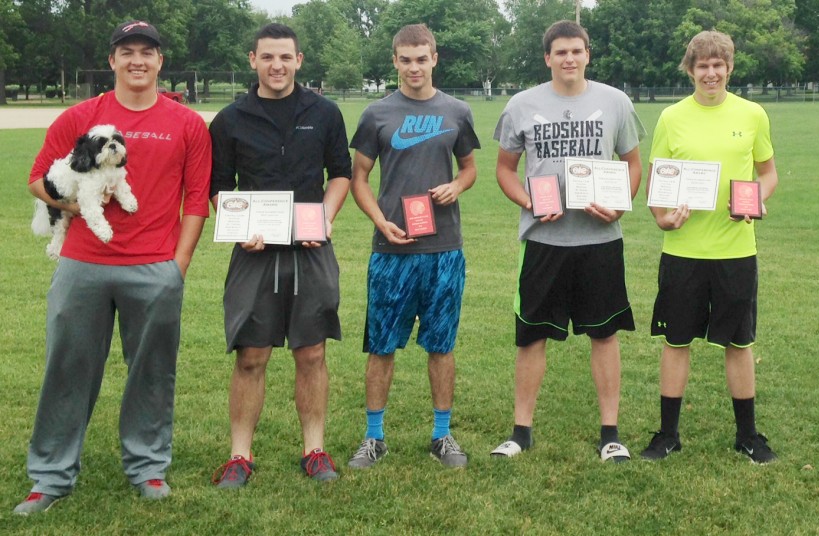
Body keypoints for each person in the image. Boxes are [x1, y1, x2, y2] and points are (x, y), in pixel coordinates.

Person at [15, 20, 212, 514]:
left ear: (160, 60)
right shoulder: (83, 116)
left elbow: (196, 199)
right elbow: (38, 180)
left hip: (154, 268)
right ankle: (50, 476)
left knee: (152, 372)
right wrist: (78, 208)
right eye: (127, 52)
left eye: (147, 51)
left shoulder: (186, 122)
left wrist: (178, 264)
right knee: (68, 369)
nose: (137, 60)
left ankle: (147, 468)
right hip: (82, 264)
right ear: (112, 61)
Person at [490, 20, 645, 462]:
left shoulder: (615, 101)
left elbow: (633, 164)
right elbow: (504, 169)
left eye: (576, 51)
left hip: (599, 239)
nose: (569, 59)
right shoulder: (522, 104)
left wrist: (619, 205)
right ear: (547, 58)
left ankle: (610, 433)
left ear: (587, 54)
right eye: (560, 52)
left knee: (605, 334)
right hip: (543, 241)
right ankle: (521, 431)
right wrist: (530, 202)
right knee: (531, 336)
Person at [207, 23, 352, 488]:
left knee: (311, 352)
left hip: (310, 250)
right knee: (251, 354)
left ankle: (314, 450)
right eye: (267, 57)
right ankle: (239, 456)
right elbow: (218, 188)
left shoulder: (324, 112)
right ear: (252, 60)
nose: (277, 66)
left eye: (285, 57)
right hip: (254, 254)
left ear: (299, 61)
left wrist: (326, 219)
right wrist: (237, 227)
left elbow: (341, 174)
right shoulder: (230, 119)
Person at [639, 30, 779, 464]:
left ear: (730, 68)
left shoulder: (753, 114)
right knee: (676, 341)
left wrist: (755, 201)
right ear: (691, 69)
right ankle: (667, 434)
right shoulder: (671, 118)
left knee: (739, 343)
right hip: (683, 250)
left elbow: (768, 172)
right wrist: (662, 217)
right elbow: (657, 184)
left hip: (736, 250)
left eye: (719, 65)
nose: (711, 73)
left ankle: (748, 435)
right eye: (703, 66)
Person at [346, 24, 479, 469]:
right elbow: (359, 178)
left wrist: (457, 187)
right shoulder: (377, 114)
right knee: (381, 345)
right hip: (392, 249)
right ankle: (374, 437)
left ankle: (442, 436)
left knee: (441, 344)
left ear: (434, 58)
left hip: (444, 248)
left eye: (422, 59)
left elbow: (469, 169)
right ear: (395, 61)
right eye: (406, 59)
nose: (414, 67)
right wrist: (380, 220)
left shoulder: (457, 110)